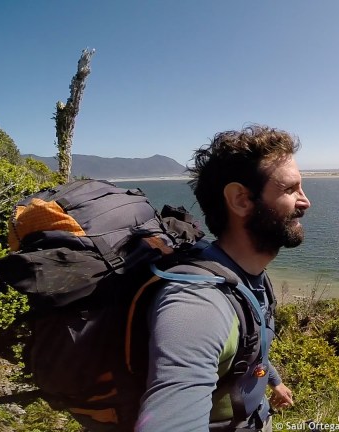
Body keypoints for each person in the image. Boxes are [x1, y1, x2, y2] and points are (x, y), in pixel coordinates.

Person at [136, 125, 310, 431]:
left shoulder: (246, 274)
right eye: (290, 189)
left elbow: (254, 344)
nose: (305, 201)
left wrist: (274, 382)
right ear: (241, 200)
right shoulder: (198, 305)